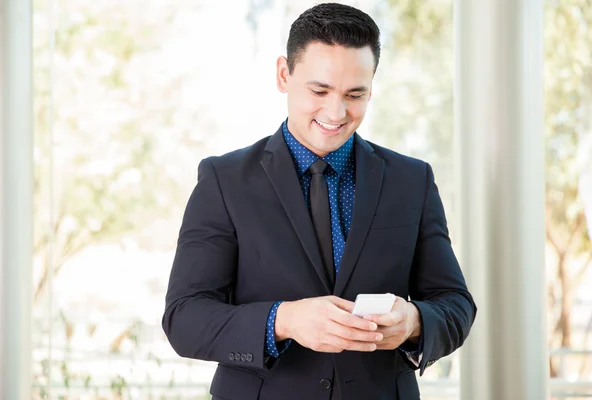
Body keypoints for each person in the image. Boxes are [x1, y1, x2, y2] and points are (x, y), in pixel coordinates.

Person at [162, 3, 476, 399]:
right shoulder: (224, 180)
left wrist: (413, 321)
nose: (336, 111)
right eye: (320, 90)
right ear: (283, 75)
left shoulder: (411, 180)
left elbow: (456, 305)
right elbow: (184, 318)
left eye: (355, 94)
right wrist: (284, 320)